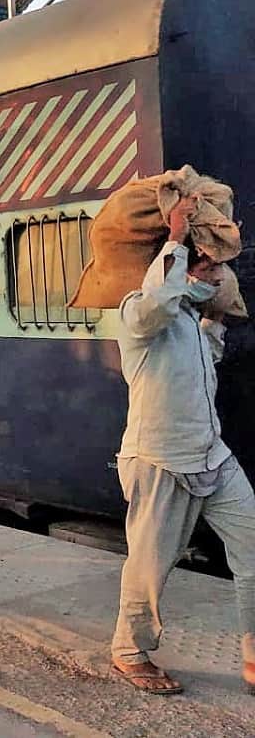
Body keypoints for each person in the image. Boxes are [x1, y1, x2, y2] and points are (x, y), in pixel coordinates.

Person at [109, 196, 255, 696]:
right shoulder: (137, 313)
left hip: (213, 455)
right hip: (159, 461)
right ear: (186, 267)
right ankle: (130, 651)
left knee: (254, 548)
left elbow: (205, 360)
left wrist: (215, 317)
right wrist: (173, 238)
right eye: (211, 265)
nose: (217, 275)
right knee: (149, 570)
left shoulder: (193, 322)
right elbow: (156, 306)